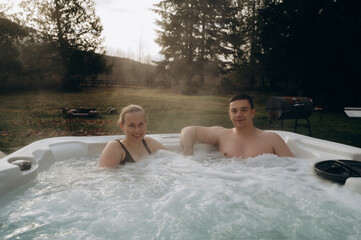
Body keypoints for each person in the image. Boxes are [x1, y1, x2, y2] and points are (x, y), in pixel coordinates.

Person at [180, 93, 294, 158]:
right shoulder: (222, 135)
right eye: (234, 111)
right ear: (230, 115)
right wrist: (188, 153)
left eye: (244, 110)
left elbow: (294, 167)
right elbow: (189, 131)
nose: (239, 115)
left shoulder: (272, 139)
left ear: (252, 113)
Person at [99, 104, 165, 168]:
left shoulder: (149, 142)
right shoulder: (115, 146)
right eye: (131, 125)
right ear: (122, 126)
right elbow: (105, 175)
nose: (137, 130)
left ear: (146, 124)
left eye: (141, 124)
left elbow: (172, 161)